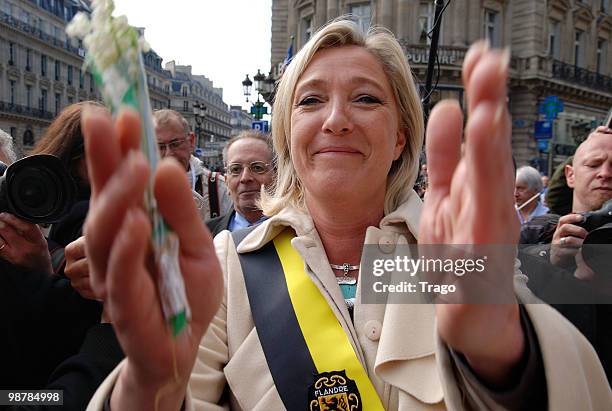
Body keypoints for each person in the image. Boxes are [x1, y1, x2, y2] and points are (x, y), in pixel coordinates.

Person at [83, 21, 610, 410]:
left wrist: (507, 364)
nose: (336, 120)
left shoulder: (456, 258)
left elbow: (583, 393)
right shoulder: (228, 267)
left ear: (402, 135)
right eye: (311, 101)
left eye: (365, 99)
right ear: (288, 133)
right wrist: (150, 385)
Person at [153, 109, 232, 220]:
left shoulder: (220, 188)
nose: (168, 153)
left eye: (175, 144)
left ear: (191, 141)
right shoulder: (139, 189)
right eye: (160, 147)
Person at [206, 130, 275, 236]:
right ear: (226, 181)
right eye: (236, 169)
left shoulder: (300, 232)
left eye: (257, 168)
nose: (245, 178)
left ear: (277, 177)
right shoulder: (204, 235)